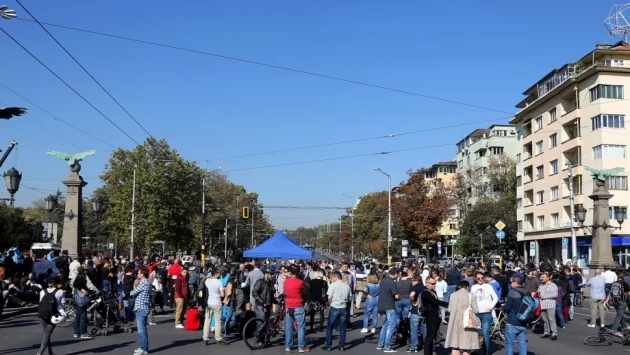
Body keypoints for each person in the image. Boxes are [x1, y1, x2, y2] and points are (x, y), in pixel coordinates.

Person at [444, 280, 479, 355]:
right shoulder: (471, 295)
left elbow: (450, 309)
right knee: (466, 346)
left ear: (459, 286)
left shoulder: (453, 295)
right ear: (467, 287)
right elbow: (476, 310)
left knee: (455, 346)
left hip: (455, 322)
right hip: (467, 322)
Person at [283, 265, 310, 352]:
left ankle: (288, 345)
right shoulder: (300, 282)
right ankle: (301, 347)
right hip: (298, 305)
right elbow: (304, 291)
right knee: (301, 327)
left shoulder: (286, 282)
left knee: (288, 327)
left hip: (288, 305)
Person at [470, 271, 498, 354]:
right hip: (476, 313)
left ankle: (486, 352)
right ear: (475, 279)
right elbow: (471, 299)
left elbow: (495, 298)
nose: (480, 280)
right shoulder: (473, 287)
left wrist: (490, 307)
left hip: (486, 314)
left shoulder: (488, 286)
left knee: (485, 333)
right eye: (478, 278)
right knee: (478, 333)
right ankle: (478, 350)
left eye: (482, 278)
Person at [37, 277, 66, 355]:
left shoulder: (42, 291)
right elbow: (61, 304)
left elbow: (40, 302)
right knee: (47, 334)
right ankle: (39, 352)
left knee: (46, 334)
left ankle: (50, 352)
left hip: (43, 314)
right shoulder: (60, 292)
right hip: (53, 315)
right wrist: (63, 313)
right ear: (55, 283)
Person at [421, 276, 449, 355]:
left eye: (435, 283)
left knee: (432, 337)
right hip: (431, 318)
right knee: (429, 338)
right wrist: (449, 304)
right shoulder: (425, 293)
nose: (434, 285)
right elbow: (436, 301)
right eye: (433, 284)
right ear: (427, 284)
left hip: (435, 317)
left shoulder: (432, 292)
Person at [325, 270, 352, 351]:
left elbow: (329, 297)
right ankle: (341, 345)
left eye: (332, 277)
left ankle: (329, 345)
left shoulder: (333, 285)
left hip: (334, 307)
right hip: (343, 308)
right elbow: (349, 298)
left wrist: (331, 303)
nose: (331, 279)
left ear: (335, 277)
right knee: (342, 328)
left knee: (330, 327)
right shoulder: (347, 286)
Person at [202, 268, 228, 346]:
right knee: (218, 321)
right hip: (217, 303)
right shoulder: (219, 282)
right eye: (219, 273)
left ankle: (205, 338)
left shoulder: (207, 281)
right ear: (216, 274)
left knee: (207, 321)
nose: (220, 275)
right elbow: (222, 294)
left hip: (209, 303)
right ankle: (218, 338)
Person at [503, 276, 528, 355]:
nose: (510, 284)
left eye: (511, 282)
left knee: (509, 343)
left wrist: (503, 308)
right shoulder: (527, 292)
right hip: (524, 320)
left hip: (513, 321)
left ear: (515, 282)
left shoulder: (512, 292)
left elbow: (507, 307)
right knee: (522, 343)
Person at [377, 267, 399, 352]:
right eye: (397, 274)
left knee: (385, 325)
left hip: (381, 305)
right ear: (395, 274)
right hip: (389, 305)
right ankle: (387, 346)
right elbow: (396, 296)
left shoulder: (383, 280)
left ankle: (380, 344)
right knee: (391, 325)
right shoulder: (392, 282)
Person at [71, 266, 98, 339]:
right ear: (84, 271)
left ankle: (76, 332)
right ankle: (83, 333)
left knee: (77, 315)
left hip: (76, 297)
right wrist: (96, 290)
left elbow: (72, 284)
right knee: (83, 316)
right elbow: (90, 285)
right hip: (82, 298)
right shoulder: (84, 276)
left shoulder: (75, 276)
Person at [130, 268, 151, 355]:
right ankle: (143, 346)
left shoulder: (143, 283)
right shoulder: (148, 282)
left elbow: (132, 293)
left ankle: (143, 348)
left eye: (138, 273)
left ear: (142, 274)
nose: (137, 275)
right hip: (145, 307)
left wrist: (133, 290)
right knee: (143, 329)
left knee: (141, 330)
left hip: (141, 308)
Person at [537, 272, 558, 340]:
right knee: (545, 320)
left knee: (551, 319)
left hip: (550, 305)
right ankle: (546, 332)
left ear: (548, 277)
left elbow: (555, 294)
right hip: (542, 305)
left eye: (543, 277)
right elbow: (538, 292)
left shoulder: (553, 285)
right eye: (541, 277)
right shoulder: (541, 285)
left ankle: (554, 333)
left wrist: (543, 296)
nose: (541, 278)